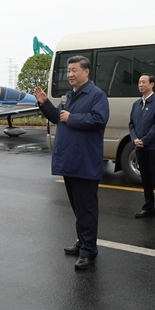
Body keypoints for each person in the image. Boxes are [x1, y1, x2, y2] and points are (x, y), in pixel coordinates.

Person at [35, 55, 109, 270]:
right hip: (70, 160)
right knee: (78, 207)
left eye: (74, 70)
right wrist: (44, 103)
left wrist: (72, 118)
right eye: (68, 71)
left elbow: (98, 120)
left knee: (86, 208)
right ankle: (82, 242)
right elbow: (58, 117)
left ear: (86, 72)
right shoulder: (69, 95)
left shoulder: (97, 95)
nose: (70, 74)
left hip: (85, 161)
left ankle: (89, 251)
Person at [129, 74, 155, 222]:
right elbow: (131, 124)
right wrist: (134, 139)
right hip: (140, 148)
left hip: (154, 148)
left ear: (152, 84)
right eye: (139, 82)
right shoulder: (136, 104)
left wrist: (145, 141)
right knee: (145, 180)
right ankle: (148, 207)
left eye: (144, 82)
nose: (141, 85)